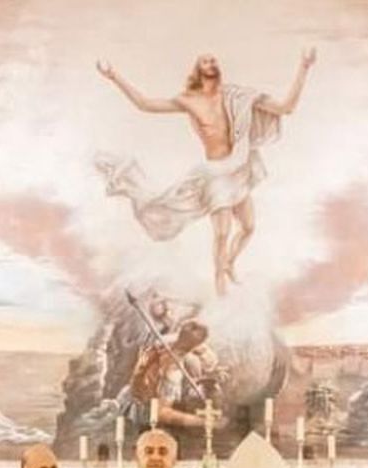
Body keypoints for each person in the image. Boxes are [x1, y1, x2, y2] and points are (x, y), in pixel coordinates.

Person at [96, 50, 316, 294]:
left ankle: (229, 263)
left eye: (214, 60)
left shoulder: (238, 96)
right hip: (214, 174)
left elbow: (286, 107)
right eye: (205, 61)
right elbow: (145, 104)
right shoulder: (189, 101)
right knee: (222, 232)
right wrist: (113, 76)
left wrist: (304, 67)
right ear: (197, 70)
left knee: (248, 227)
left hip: (238, 169)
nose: (211, 64)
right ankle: (220, 285)